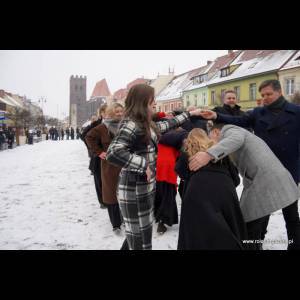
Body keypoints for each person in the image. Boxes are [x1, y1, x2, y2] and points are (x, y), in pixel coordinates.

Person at [199, 79, 300, 250]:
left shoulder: (297, 112)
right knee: (261, 214)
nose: (265, 98)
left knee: (291, 214)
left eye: (268, 94)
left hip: (288, 170)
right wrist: (216, 116)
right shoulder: (258, 113)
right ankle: (257, 244)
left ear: (279, 92)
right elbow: (238, 121)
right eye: (262, 95)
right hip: (263, 171)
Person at [106, 83, 204, 250]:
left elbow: (165, 126)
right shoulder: (131, 123)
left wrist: (189, 114)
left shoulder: (145, 123)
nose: (155, 103)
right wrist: (144, 164)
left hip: (144, 187)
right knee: (138, 240)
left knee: (141, 236)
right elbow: (113, 152)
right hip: (133, 189)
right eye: (153, 99)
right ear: (142, 101)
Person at [188, 123, 299, 250]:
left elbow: (236, 140)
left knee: (248, 225)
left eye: (210, 137)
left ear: (216, 132)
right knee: (256, 222)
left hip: (263, 182)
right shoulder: (236, 138)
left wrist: (208, 154)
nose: (211, 142)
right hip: (270, 180)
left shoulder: (230, 130)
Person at [175, 128, 247, 250]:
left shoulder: (186, 152)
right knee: (230, 226)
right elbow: (236, 179)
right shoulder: (219, 150)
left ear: (189, 139)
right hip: (224, 189)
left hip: (197, 191)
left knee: (197, 232)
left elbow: (182, 173)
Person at [86, 103, 124, 232]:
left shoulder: (126, 125)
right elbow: (89, 137)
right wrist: (99, 152)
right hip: (109, 166)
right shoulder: (103, 127)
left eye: (121, 111)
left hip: (125, 163)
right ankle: (116, 224)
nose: (119, 113)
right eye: (116, 111)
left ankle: (124, 217)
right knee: (111, 193)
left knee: (125, 192)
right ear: (111, 113)